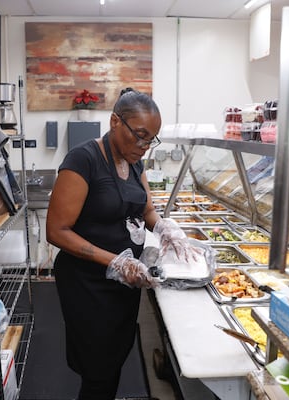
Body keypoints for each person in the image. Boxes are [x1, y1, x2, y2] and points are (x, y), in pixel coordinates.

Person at [46, 87, 201, 399]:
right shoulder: (83, 160)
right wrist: (115, 261)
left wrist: (166, 228)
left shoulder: (134, 162)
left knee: (115, 356)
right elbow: (57, 231)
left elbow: (146, 209)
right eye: (139, 135)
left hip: (124, 282)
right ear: (115, 121)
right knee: (97, 369)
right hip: (88, 283)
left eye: (150, 140)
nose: (144, 146)